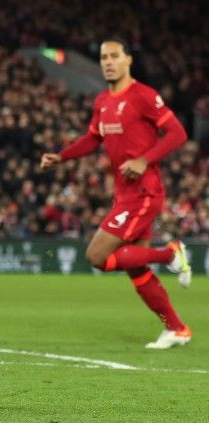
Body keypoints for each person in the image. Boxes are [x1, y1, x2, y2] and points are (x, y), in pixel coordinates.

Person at [40, 37, 192, 349]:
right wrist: (62, 156)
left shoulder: (144, 96)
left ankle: (171, 253)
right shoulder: (102, 102)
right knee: (135, 268)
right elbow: (92, 138)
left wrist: (144, 160)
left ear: (127, 61)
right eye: (103, 57)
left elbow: (178, 133)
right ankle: (176, 328)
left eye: (114, 56)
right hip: (124, 195)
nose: (108, 62)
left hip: (144, 192)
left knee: (97, 255)